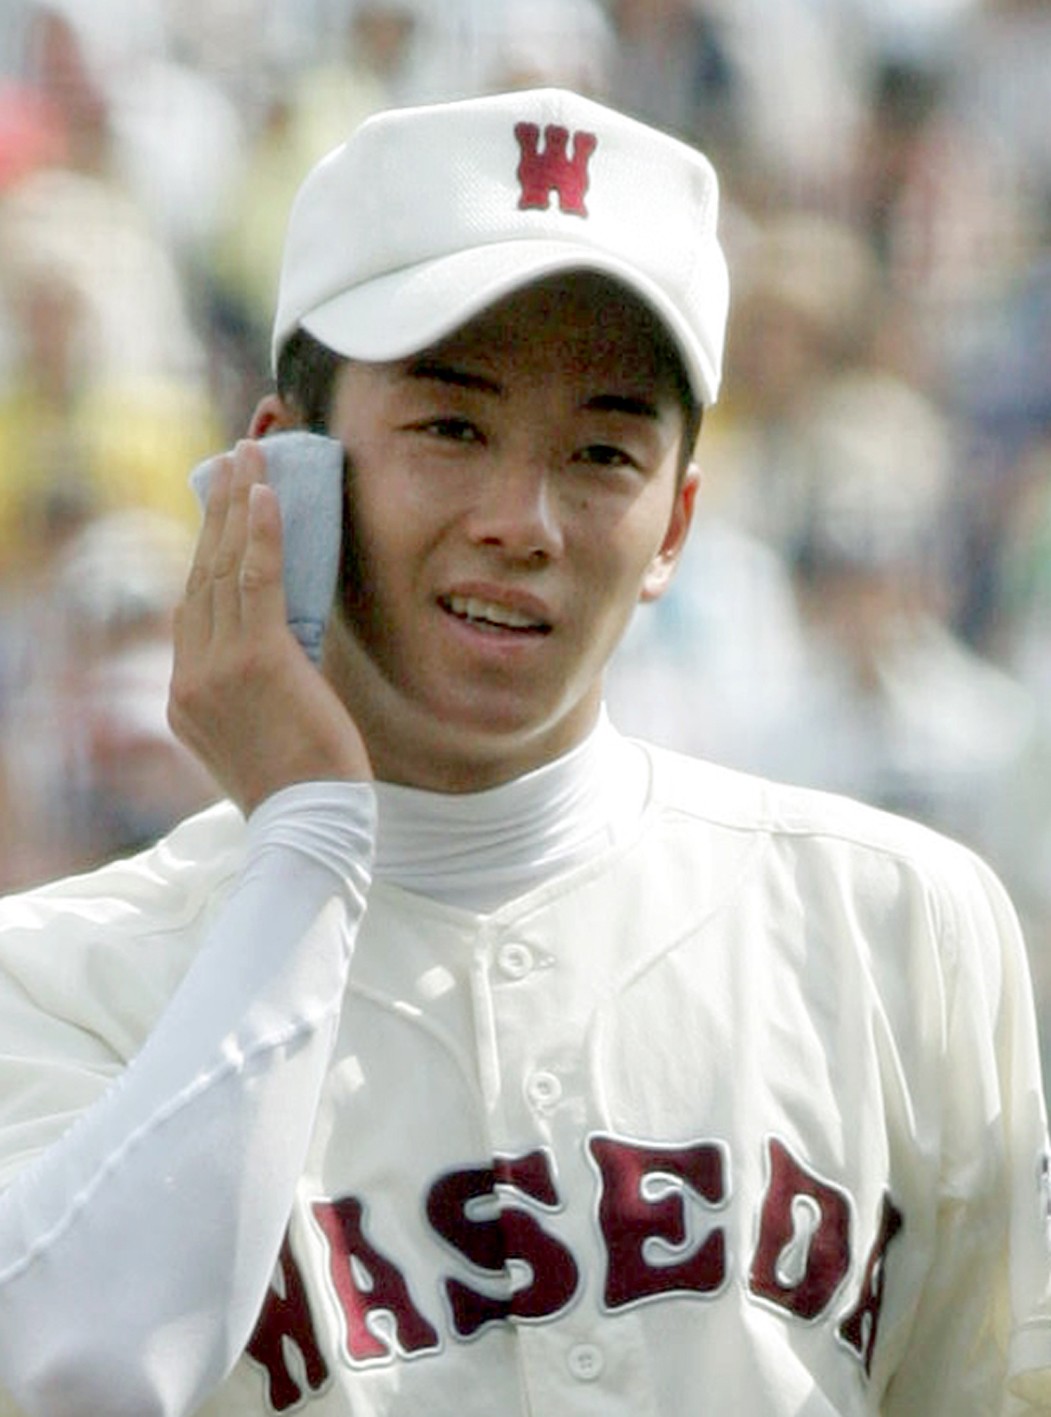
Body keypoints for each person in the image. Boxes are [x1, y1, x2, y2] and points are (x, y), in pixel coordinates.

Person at [0, 85, 1047, 1417]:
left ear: (675, 522)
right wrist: (307, 845)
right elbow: (78, 1372)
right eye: (452, 425)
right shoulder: (55, 978)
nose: (526, 518)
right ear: (286, 465)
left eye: (603, 449)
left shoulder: (899, 924)